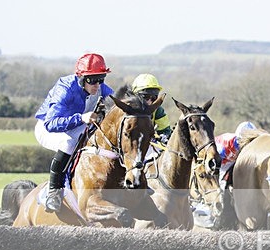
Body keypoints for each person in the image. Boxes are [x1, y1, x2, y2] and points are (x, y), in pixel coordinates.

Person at [34, 53, 113, 212]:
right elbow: (51, 124)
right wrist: (81, 118)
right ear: (81, 78)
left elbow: (116, 102)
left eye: (101, 78)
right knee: (68, 142)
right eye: (92, 80)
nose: (98, 85)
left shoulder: (99, 86)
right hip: (48, 128)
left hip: (78, 125)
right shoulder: (65, 89)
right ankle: (53, 191)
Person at [130, 74, 172, 144]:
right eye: (146, 97)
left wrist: (163, 136)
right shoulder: (126, 110)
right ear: (135, 96)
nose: (150, 101)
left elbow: (165, 131)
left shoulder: (158, 110)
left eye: (153, 98)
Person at [215, 121, 257, 189]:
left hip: (230, 160)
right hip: (220, 159)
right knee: (220, 184)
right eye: (244, 142)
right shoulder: (224, 145)